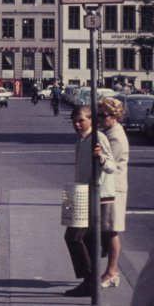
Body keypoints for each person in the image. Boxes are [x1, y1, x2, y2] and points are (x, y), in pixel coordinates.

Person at [63, 104, 117, 298]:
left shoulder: (97, 137)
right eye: (74, 121)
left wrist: (101, 158)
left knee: (73, 237)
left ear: (91, 120)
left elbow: (112, 166)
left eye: (81, 121)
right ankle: (90, 281)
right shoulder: (81, 139)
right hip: (80, 193)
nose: (77, 125)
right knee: (86, 239)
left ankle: (90, 280)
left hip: (95, 196)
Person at [97, 97, 130, 289]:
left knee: (111, 230)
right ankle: (110, 272)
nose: (100, 119)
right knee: (107, 229)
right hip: (109, 188)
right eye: (98, 115)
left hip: (114, 189)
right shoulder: (109, 132)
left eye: (103, 115)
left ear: (114, 115)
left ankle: (112, 272)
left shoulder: (115, 136)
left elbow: (109, 163)